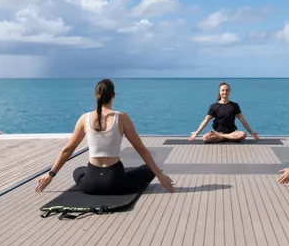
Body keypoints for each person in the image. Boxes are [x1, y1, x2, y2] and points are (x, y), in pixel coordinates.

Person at [35, 79, 175, 195]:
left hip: (90, 185)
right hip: (116, 183)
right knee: (147, 169)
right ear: (113, 95)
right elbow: (140, 148)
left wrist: (50, 175)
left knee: (78, 171)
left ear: (96, 95)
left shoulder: (84, 118)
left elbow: (67, 150)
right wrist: (160, 176)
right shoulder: (122, 118)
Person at [189, 81, 260, 143]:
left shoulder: (234, 105)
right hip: (219, 132)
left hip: (231, 132)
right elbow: (206, 120)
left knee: (243, 134)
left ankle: (221, 137)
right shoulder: (214, 106)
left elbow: (242, 120)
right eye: (223, 90)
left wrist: (251, 132)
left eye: (227, 90)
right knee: (205, 138)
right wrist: (196, 133)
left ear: (229, 92)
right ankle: (228, 138)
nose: (225, 92)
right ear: (219, 92)